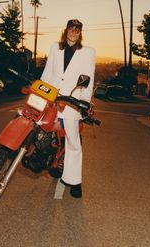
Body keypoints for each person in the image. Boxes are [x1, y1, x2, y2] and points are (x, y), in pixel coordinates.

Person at [41, 19, 96, 198]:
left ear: (80, 33)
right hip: (52, 98)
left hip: (72, 100)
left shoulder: (88, 52)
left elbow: (88, 78)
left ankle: (75, 182)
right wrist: (41, 91)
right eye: (71, 29)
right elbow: (48, 72)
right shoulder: (55, 47)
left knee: (73, 142)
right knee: (40, 129)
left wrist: (85, 101)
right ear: (65, 31)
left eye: (77, 30)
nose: (74, 32)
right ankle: (48, 159)